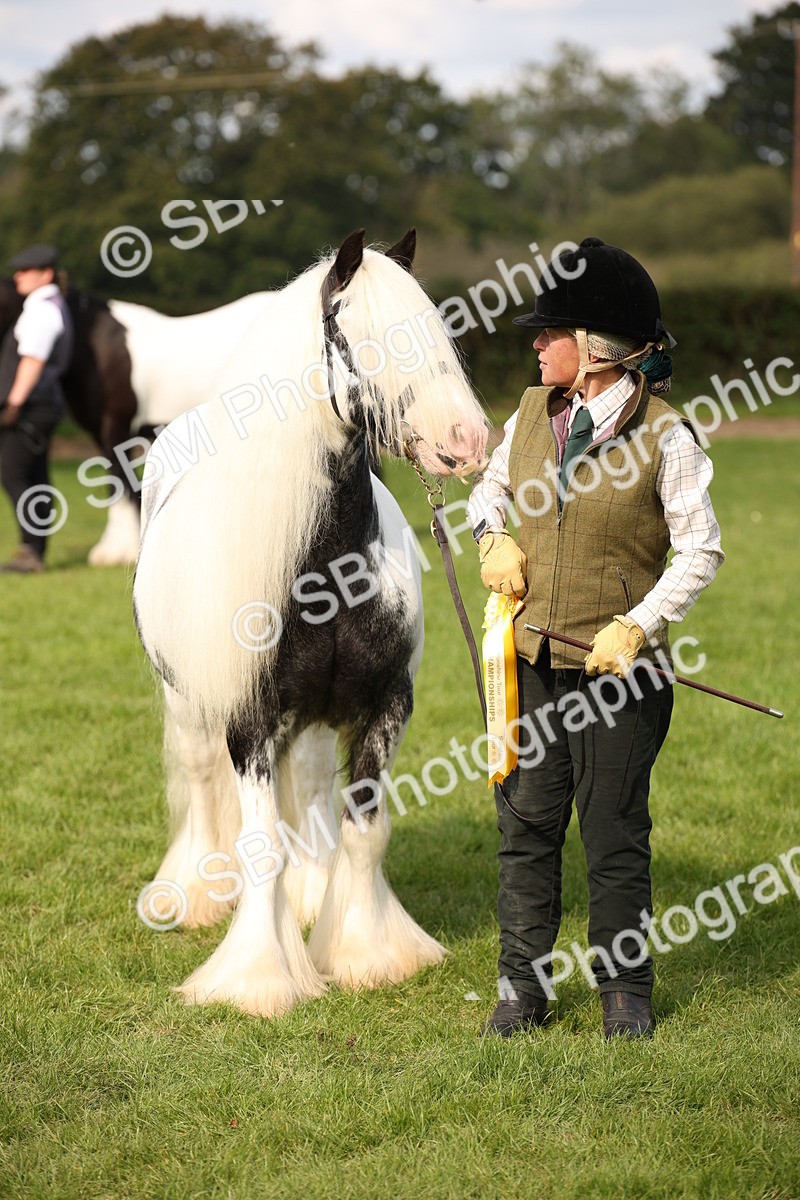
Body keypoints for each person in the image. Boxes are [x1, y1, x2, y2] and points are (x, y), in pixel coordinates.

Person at [467, 237, 724, 1039]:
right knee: (527, 826)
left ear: (598, 349)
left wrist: (638, 623)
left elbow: (703, 548)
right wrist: (489, 537)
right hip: (534, 660)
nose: (536, 343)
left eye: (552, 331)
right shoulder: (528, 416)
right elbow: (489, 491)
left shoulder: (667, 434)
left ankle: (625, 993)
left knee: (613, 830)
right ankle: (522, 991)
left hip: (620, 673)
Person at [0, 243, 73, 572]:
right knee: (35, 476)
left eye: (25, 271)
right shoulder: (49, 305)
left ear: (45, 274)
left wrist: (14, 403)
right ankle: (34, 550)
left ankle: (31, 551)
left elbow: (33, 359)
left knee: (13, 473)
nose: (17, 276)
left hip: (31, 405)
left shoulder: (41, 310)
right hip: (40, 404)